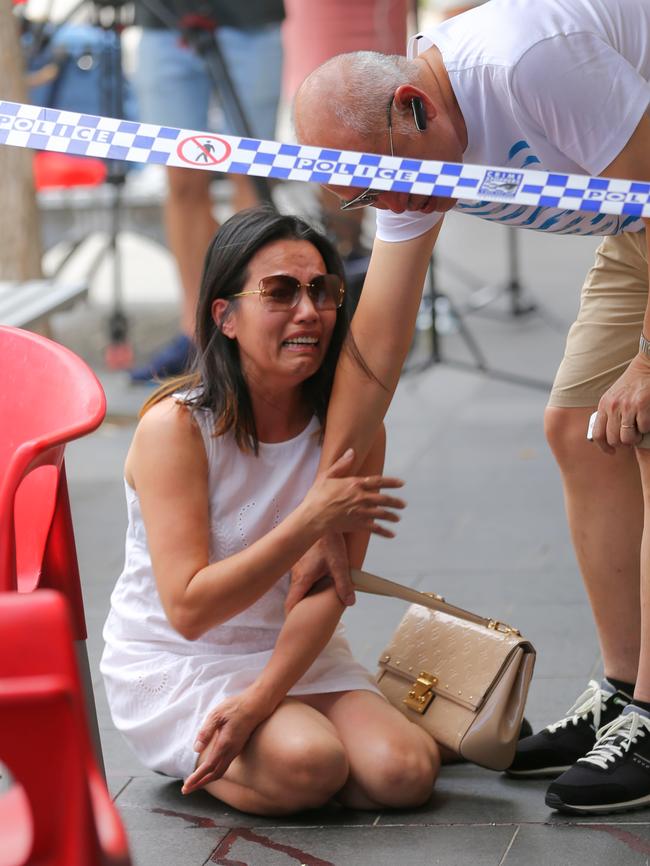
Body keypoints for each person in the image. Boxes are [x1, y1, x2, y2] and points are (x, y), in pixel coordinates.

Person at [291, 0, 650, 815]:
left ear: (414, 107)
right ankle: (626, 692)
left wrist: (648, 361)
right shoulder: (399, 155)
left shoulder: (525, 64)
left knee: (646, 427)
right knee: (579, 430)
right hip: (639, 223)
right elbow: (377, 349)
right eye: (364, 200)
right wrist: (323, 513)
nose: (394, 207)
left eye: (388, 185)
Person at [101, 206, 440, 814]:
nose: (309, 312)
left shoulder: (352, 428)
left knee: (405, 772)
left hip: (291, 653)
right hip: (182, 661)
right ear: (224, 316)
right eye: (280, 292)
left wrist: (263, 697)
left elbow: (328, 588)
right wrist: (309, 521)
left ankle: (297, 735)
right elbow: (189, 608)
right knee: (311, 763)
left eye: (323, 291)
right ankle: (271, 748)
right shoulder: (175, 428)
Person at [129, 0, 284, 382]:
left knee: (250, 176)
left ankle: (253, 322)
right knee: (182, 181)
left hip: (250, 22)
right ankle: (196, 331)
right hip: (163, 20)